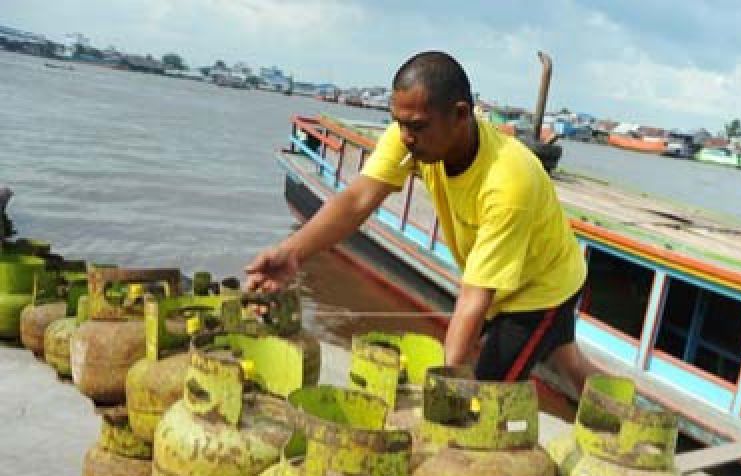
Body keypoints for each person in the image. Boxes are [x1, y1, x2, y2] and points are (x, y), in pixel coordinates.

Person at [245, 51, 600, 393]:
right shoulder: (416, 133)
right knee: (566, 359)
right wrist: (292, 252)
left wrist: (441, 384)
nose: (404, 137)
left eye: (415, 126)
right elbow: (356, 200)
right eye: (398, 123)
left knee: (486, 394)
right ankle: (624, 420)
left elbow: (474, 296)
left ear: (461, 115)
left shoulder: (508, 182)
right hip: (504, 278)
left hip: (540, 288)